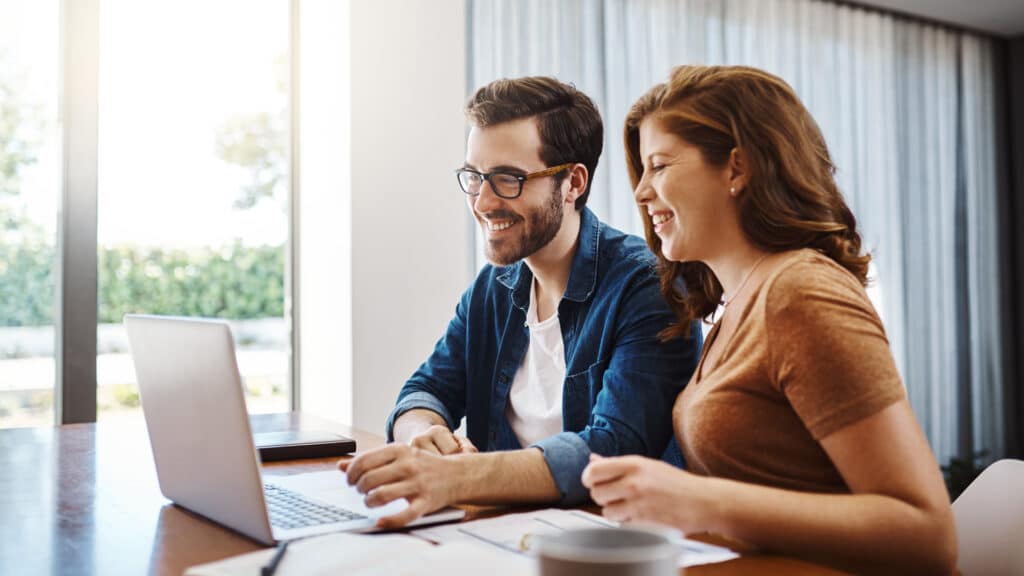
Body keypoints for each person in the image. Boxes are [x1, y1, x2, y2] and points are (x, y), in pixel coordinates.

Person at [582, 65, 957, 575]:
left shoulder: (799, 294)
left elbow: (927, 535)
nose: (641, 192)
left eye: (660, 165)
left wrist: (704, 501)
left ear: (737, 168)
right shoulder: (738, 306)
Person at [341, 76, 701, 528]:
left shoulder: (646, 286)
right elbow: (425, 390)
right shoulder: (493, 288)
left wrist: (460, 476)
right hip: (501, 535)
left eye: (508, 179)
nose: (484, 201)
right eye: (475, 177)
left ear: (572, 182)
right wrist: (425, 436)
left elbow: (614, 449)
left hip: (606, 546)